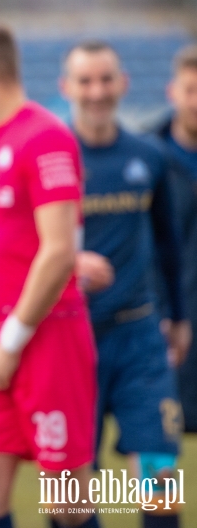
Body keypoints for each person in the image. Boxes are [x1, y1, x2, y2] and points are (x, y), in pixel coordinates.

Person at [0, 23, 98, 528]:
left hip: (44, 336)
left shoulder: (47, 137)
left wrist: (13, 342)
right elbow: (6, 253)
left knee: (67, 504)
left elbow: (58, 253)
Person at [60, 40, 189, 528]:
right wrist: (67, 261)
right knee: (68, 494)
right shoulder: (51, 156)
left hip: (140, 336)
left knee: (160, 475)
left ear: (123, 83)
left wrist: (177, 317)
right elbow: (19, 247)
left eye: (105, 79)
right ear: (66, 87)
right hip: (69, 337)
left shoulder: (148, 156)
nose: (96, 91)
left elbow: (168, 244)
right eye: (85, 81)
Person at [151, 44, 197, 434]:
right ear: (173, 91)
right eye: (191, 89)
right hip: (166, 317)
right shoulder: (148, 155)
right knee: (161, 436)